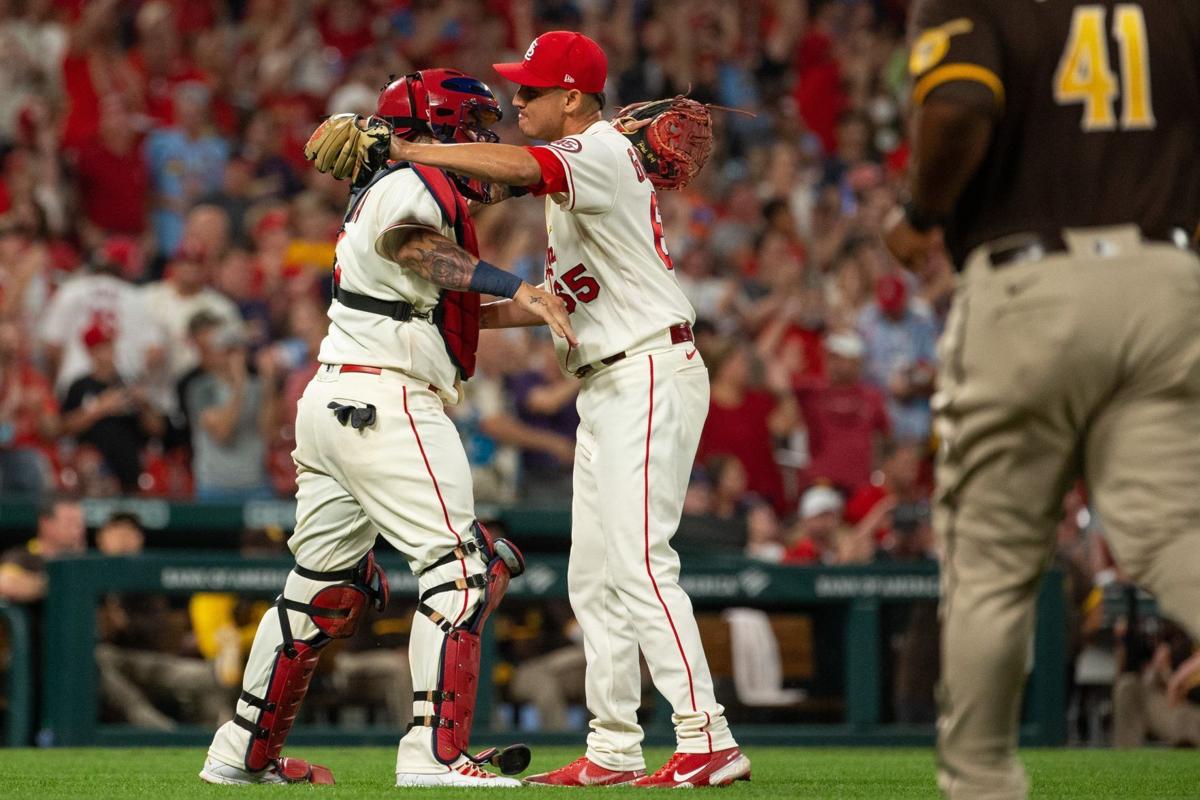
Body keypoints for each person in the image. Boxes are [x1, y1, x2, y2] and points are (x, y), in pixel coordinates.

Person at [389, 31, 750, 788]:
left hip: (648, 369)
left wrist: (412, 151)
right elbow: (565, 304)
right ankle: (614, 746)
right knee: (593, 577)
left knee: (641, 563)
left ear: (575, 98)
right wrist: (468, 319)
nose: (517, 100)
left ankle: (707, 736)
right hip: (610, 376)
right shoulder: (583, 181)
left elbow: (522, 167)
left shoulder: (600, 152)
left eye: (531, 89)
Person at [200, 69, 572, 788]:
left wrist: (533, 303)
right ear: (437, 130)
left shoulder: (392, 184)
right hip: (386, 403)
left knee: (320, 590)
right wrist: (512, 282)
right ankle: (434, 755)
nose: (481, 143)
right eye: (471, 127)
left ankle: (240, 750)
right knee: (465, 571)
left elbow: (433, 307)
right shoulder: (414, 186)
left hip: (337, 401)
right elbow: (412, 249)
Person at [885, 3, 1200, 798]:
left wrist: (920, 216)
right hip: (1168, 275)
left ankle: (983, 782)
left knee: (992, 561)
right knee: (1172, 531)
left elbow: (958, 107)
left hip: (1030, 278)